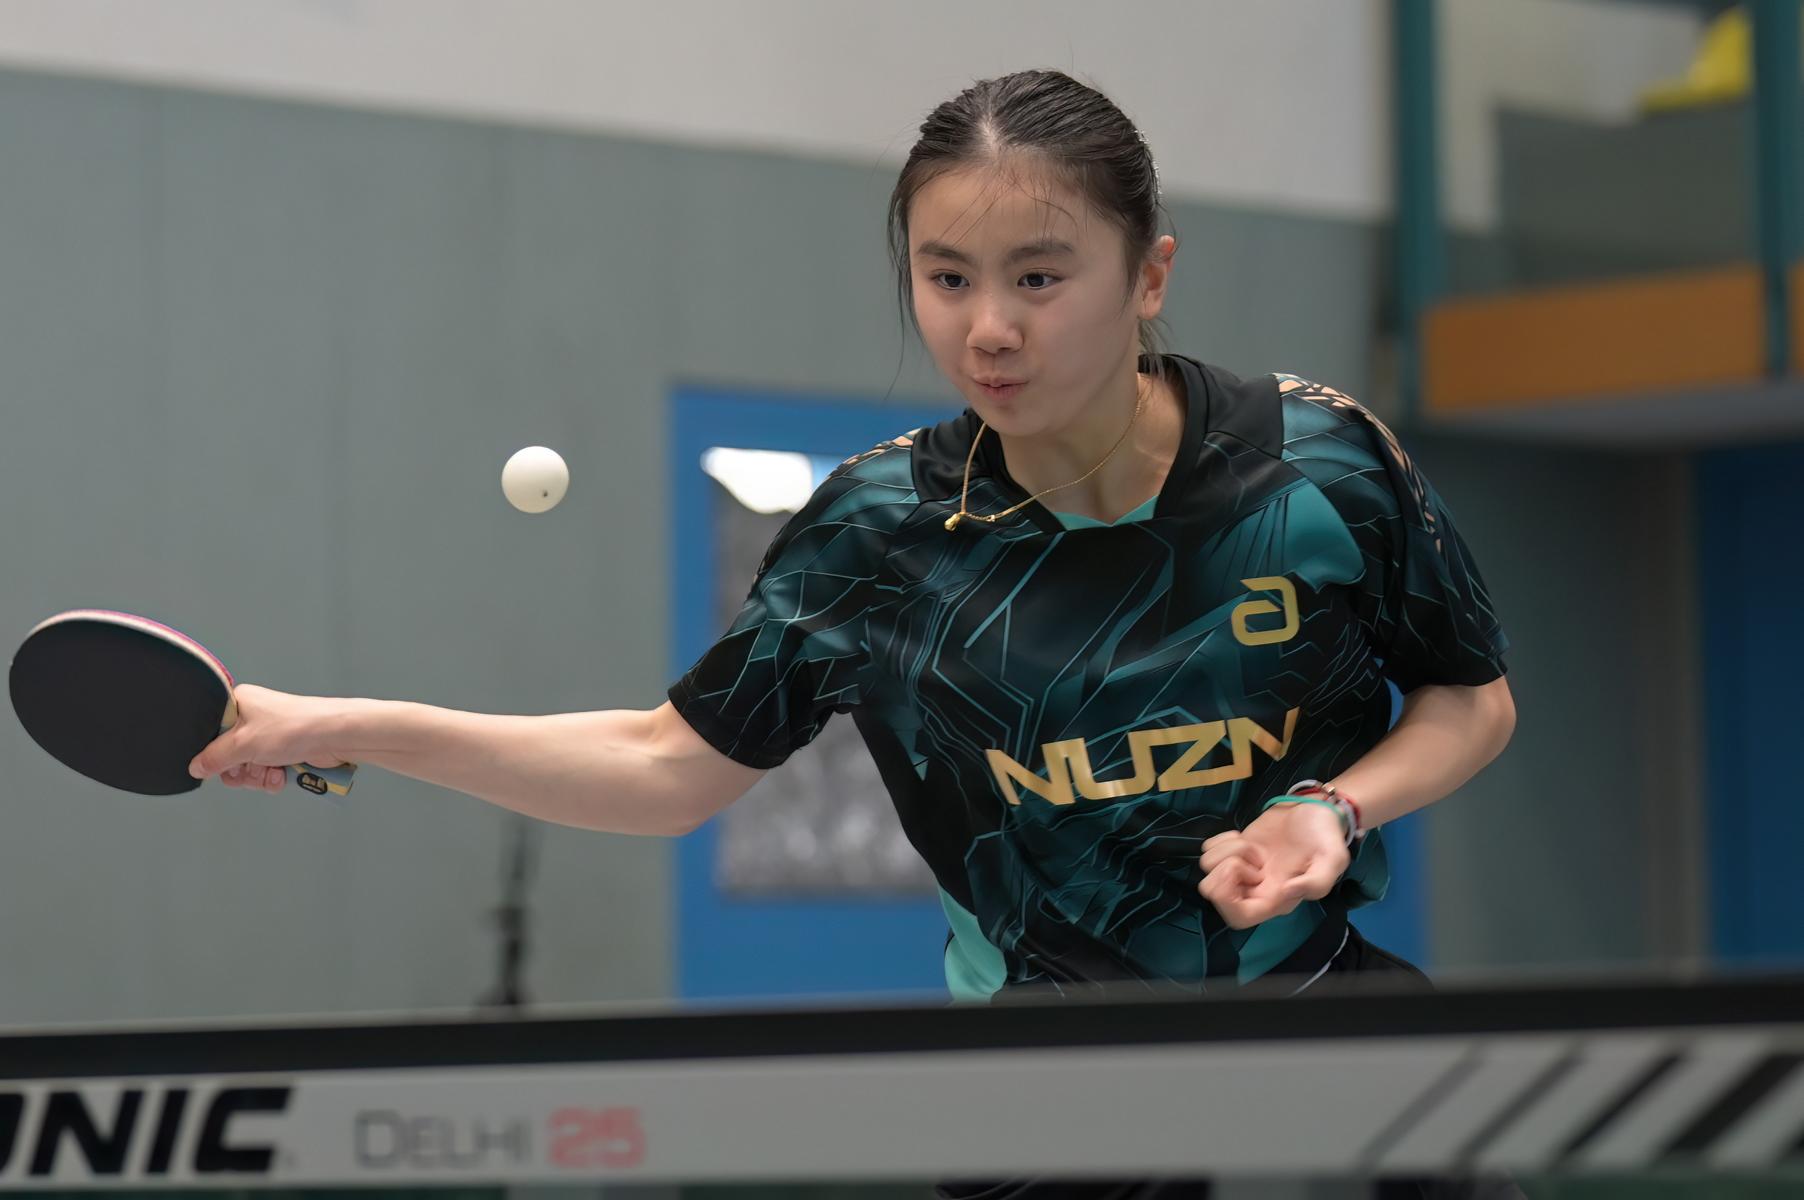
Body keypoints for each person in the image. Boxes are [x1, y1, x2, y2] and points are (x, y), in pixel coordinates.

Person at [190, 70, 1518, 1199]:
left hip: (1321, 1007)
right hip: (1045, 1076)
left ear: (1149, 273)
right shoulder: (880, 534)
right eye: (946, 278)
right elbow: (668, 768)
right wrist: (354, 726)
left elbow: (1471, 699)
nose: (987, 327)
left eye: (1040, 276)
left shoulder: (1318, 465)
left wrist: (1332, 807)